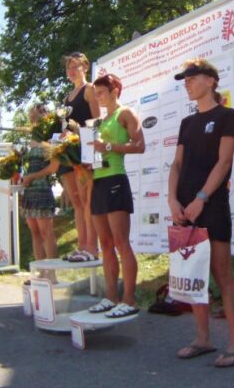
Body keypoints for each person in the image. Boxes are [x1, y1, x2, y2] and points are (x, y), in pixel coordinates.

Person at [167, 59, 234, 367]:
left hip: (211, 205)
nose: (187, 83)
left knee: (222, 274)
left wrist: (201, 197)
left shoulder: (228, 116)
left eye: (192, 77)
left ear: (211, 80)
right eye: (184, 79)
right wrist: (172, 200)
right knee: (193, 273)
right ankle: (203, 339)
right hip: (185, 208)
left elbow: (224, 162)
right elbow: (176, 165)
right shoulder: (187, 123)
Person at [88, 73, 145, 318]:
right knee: (105, 244)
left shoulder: (126, 113)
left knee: (122, 243)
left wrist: (109, 147)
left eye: (101, 92)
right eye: (96, 93)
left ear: (114, 92)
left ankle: (129, 299)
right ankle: (111, 297)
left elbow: (140, 146)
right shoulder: (99, 122)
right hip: (98, 181)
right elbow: (96, 152)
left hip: (115, 180)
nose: (98, 97)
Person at [59, 52, 100, 262]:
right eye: (69, 68)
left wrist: (80, 134)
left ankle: (92, 248)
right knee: (76, 202)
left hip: (85, 151)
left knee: (87, 200)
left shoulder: (90, 89)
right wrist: (63, 136)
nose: (72, 71)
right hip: (69, 153)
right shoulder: (66, 98)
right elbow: (65, 126)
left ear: (85, 67)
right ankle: (82, 246)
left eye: (75, 66)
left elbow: (97, 122)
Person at [21, 104, 60, 276]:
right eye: (31, 117)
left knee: (46, 232)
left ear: (45, 116)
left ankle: (52, 274)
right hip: (29, 191)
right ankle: (41, 273)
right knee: (35, 233)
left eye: (35, 116)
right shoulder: (32, 139)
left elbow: (53, 167)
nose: (32, 120)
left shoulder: (52, 136)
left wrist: (33, 177)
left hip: (42, 188)